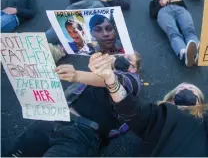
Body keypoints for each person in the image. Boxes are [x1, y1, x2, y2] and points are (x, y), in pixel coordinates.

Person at [5, 53, 142, 157]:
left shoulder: (133, 80)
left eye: (129, 59)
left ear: (133, 68)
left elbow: (112, 81)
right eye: (119, 54)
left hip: (82, 132)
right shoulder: (92, 75)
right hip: (53, 118)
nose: (120, 58)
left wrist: (77, 75)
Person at [46, 0, 131, 61]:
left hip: (99, 5)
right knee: (61, 21)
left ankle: (59, 47)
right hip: (81, 3)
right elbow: (74, 0)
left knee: (88, 13)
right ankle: (43, 41)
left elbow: (126, 4)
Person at [149, 0, 199, 67]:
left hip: (180, 9)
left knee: (189, 30)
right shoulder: (154, 1)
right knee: (173, 32)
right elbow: (152, 14)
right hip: (164, 11)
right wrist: (162, 3)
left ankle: (196, 52)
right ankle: (184, 53)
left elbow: (185, 8)